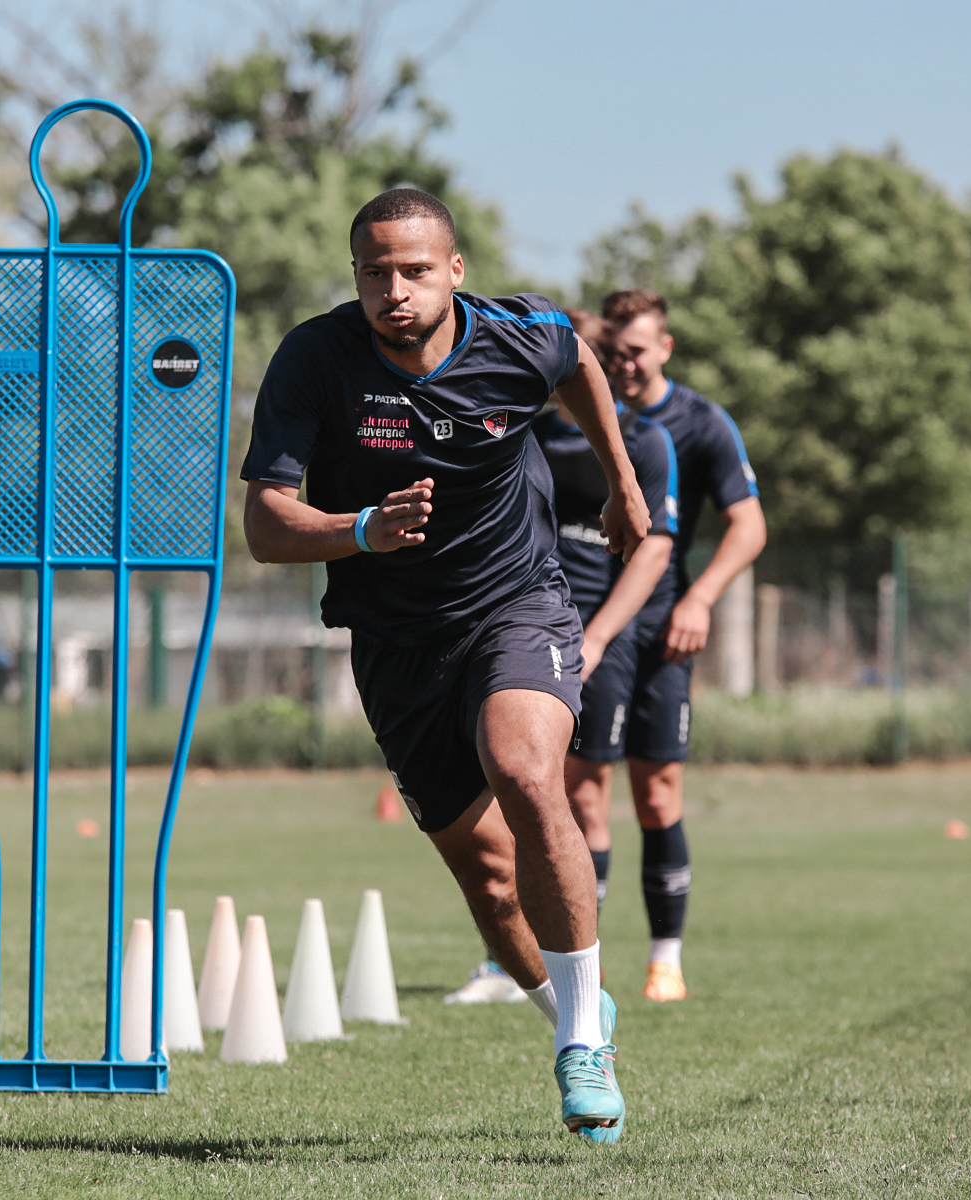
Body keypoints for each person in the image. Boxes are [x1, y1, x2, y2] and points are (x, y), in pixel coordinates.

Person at [240, 188, 651, 1141]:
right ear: (356, 277)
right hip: (395, 640)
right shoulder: (315, 357)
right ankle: (575, 1013)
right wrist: (360, 531)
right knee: (490, 882)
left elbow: (579, 361)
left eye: (415, 270)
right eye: (375, 271)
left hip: (519, 603)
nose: (395, 289)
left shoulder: (519, 337)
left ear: (454, 271)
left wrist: (624, 484)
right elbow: (264, 524)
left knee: (524, 770)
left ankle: (582, 1043)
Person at [444, 310, 679, 1007]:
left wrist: (600, 636)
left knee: (573, 796)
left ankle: (583, 965)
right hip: (515, 629)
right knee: (518, 794)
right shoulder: (523, 432)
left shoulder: (643, 442)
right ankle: (524, 957)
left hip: (588, 638)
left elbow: (654, 546)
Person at [597, 287, 766, 1003]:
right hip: (584, 621)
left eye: (635, 352)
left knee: (657, 792)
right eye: (611, 353)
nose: (623, 366)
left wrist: (699, 599)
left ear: (664, 346)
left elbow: (749, 526)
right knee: (579, 793)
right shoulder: (581, 414)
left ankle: (665, 956)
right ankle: (582, 957)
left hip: (663, 625)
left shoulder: (700, 423)